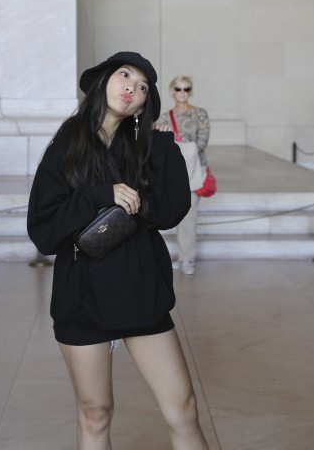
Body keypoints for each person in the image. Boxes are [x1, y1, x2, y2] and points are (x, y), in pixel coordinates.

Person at [27, 52, 208, 449]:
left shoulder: (147, 146)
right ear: (104, 80)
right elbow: (43, 231)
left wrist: (163, 146)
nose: (132, 87)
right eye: (125, 75)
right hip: (84, 297)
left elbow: (170, 211)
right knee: (96, 414)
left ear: (146, 102)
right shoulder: (66, 147)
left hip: (140, 292)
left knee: (184, 408)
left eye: (143, 86)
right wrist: (99, 195)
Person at [155, 75, 210, 275]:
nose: (182, 93)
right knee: (176, 215)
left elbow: (203, 142)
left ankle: (188, 259)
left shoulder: (199, 114)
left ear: (190, 91)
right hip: (172, 172)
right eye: (178, 89)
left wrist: (179, 147)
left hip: (194, 170)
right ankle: (182, 257)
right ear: (172, 91)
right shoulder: (163, 117)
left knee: (189, 216)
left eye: (186, 89)